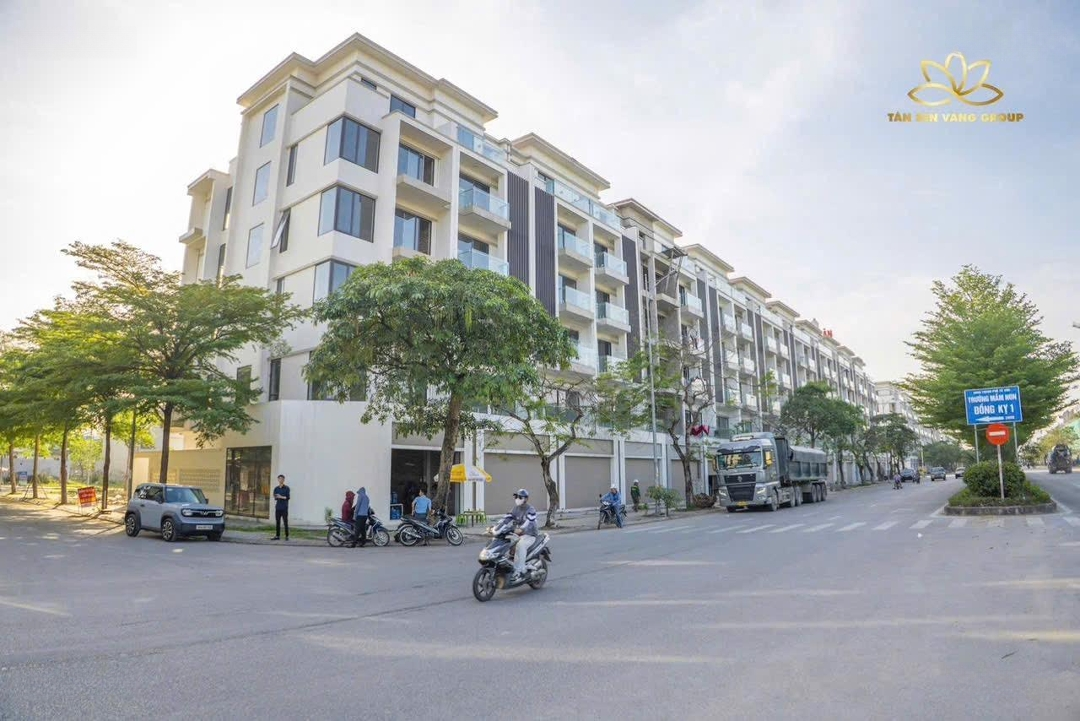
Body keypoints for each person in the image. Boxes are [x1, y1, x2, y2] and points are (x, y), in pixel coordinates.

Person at [508, 489, 538, 583]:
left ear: (526, 499)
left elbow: (528, 522)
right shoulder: (515, 509)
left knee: (520, 544)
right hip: (518, 534)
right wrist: (496, 527)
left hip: (529, 535)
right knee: (504, 542)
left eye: (520, 497)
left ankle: (519, 571)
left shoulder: (531, 509)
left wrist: (521, 529)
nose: (517, 499)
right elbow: (506, 518)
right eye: (516, 497)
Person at [272, 475, 290, 540]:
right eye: (279, 479)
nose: (281, 480)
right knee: (277, 522)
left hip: (284, 508)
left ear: (284, 480)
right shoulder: (276, 488)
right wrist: (276, 496)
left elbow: (287, 497)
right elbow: (275, 497)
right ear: (278, 480)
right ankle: (277, 536)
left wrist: (280, 496)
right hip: (278, 508)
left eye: (282, 479)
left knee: (285, 522)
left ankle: (287, 536)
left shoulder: (287, 488)